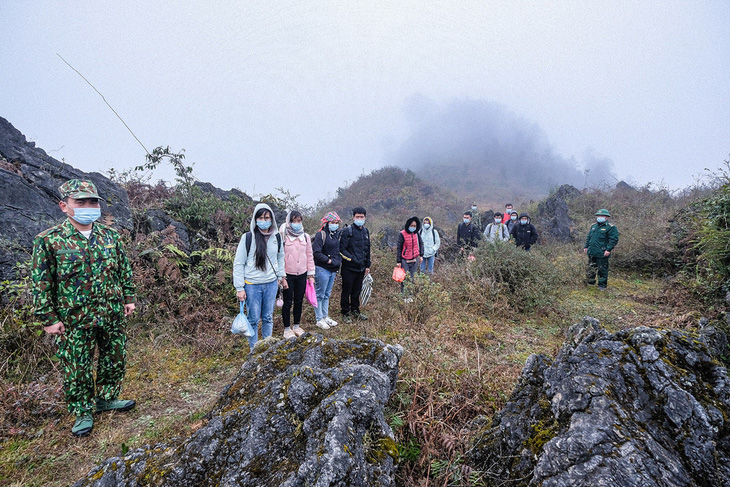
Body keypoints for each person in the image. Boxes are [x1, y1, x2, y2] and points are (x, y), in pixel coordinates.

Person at [31, 179, 137, 437]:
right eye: (80, 202)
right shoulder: (49, 240)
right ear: (64, 206)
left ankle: (106, 399)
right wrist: (48, 317)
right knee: (77, 366)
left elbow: (123, 270)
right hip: (74, 318)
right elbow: (41, 281)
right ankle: (82, 411)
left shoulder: (111, 236)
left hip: (111, 312)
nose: (88, 206)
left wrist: (128, 297)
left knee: (114, 358)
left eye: (92, 202)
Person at [233, 203, 286, 352]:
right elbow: (238, 263)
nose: (264, 220)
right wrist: (239, 288)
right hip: (252, 285)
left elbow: (280, 257)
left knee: (268, 317)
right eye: (261, 218)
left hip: (271, 283)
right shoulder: (248, 238)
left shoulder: (277, 237)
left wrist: (281, 276)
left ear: (272, 219)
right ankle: (254, 350)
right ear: (255, 220)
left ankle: (267, 347)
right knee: (254, 319)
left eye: (267, 217)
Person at [279, 210, 315, 339]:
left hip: (302, 274)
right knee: (287, 302)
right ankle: (287, 328)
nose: (296, 224)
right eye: (294, 221)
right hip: (288, 274)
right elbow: (280, 256)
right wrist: (282, 277)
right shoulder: (283, 236)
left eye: (299, 221)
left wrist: (311, 274)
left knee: (299, 300)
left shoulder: (305, 237)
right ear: (289, 222)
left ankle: (297, 326)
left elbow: (309, 255)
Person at [339, 207, 371, 324]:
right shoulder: (348, 231)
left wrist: (367, 264)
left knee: (357, 290)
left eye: (361, 217)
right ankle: (345, 312)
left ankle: (355, 310)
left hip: (361, 268)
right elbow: (342, 249)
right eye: (357, 217)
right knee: (346, 290)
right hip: (349, 267)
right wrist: (352, 259)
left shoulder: (365, 231)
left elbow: (367, 249)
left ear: (365, 218)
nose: (359, 219)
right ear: (353, 217)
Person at [312, 211, 342, 330]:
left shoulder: (337, 235)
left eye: (336, 222)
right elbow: (316, 253)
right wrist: (328, 261)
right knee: (320, 294)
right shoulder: (321, 235)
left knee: (327, 294)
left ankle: (325, 316)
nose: (335, 224)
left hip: (333, 270)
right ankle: (319, 318)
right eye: (332, 222)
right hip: (322, 269)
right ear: (327, 223)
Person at [583, 209, 620, 290]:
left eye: (602, 216)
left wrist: (608, 250)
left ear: (606, 217)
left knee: (602, 269)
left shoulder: (611, 227)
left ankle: (602, 285)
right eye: (598, 216)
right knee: (591, 267)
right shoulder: (593, 226)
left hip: (602, 252)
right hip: (592, 251)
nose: (600, 217)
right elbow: (589, 237)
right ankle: (590, 282)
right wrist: (586, 247)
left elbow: (614, 240)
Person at [396, 216, 424, 298]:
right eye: (411, 226)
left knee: (412, 278)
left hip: (414, 259)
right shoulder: (402, 234)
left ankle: (410, 296)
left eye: (414, 226)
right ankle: (404, 296)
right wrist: (398, 261)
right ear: (408, 225)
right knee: (404, 279)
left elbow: (421, 244)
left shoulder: (416, 234)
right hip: (405, 259)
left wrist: (421, 255)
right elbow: (399, 248)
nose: (413, 227)